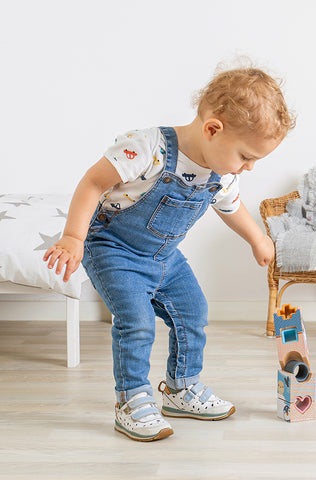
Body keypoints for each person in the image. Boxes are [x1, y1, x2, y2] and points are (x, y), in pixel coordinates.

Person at [44, 65, 296, 442]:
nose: (249, 167)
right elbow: (93, 182)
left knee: (193, 312)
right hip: (114, 249)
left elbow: (232, 207)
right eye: (246, 156)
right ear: (213, 129)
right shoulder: (147, 147)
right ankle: (131, 400)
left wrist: (258, 240)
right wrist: (73, 237)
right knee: (137, 321)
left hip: (164, 257)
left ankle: (181, 389)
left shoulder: (221, 173)